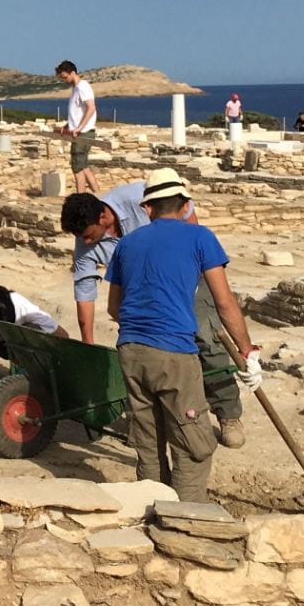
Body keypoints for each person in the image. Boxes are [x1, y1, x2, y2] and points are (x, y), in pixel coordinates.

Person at [105, 171, 263, 502]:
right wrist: (247, 351)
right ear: (186, 205)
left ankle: (151, 509)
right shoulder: (200, 237)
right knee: (193, 444)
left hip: (131, 351)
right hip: (174, 352)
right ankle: (188, 518)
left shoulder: (127, 243)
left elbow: (114, 308)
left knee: (148, 442)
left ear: (147, 208)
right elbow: (224, 302)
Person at [61, 171, 247, 447]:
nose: (85, 243)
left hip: (186, 278)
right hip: (141, 294)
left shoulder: (141, 196)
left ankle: (227, 413)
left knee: (207, 341)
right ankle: (152, 422)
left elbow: (189, 225)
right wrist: (88, 345)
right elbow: (85, 292)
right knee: (143, 352)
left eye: (89, 236)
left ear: (102, 218)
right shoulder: (84, 240)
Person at [54, 61, 99, 193]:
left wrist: (78, 128)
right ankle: (98, 195)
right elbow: (79, 113)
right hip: (80, 131)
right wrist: (68, 126)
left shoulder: (82, 86)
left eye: (65, 77)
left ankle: (80, 200)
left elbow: (91, 108)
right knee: (83, 166)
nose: (64, 80)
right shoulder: (76, 88)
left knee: (77, 168)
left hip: (82, 133)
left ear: (72, 73)